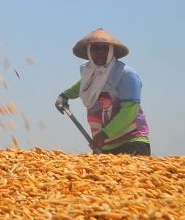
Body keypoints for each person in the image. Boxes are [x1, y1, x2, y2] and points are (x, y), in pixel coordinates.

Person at [55, 28, 151, 156]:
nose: (100, 52)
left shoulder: (126, 74)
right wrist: (64, 96)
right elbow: (81, 86)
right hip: (104, 145)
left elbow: (130, 110)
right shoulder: (90, 75)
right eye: (95, 48)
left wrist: (105, 133)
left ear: (112, 51)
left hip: (131, 141)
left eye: (105, 48)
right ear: (89, 51)